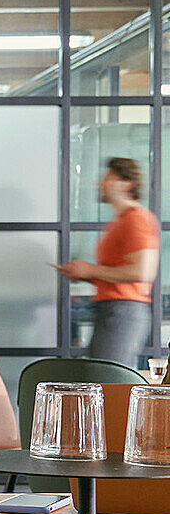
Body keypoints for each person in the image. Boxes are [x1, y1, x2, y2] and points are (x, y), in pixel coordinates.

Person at [52, 157, 160, 368]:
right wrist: (87, 274)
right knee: (102, 379)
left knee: (109, 382)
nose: (100, 184)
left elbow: (143, 271)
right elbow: (117, 274)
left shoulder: (136, 219)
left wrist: (91, 269)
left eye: (107, 178)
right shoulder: (120, 222)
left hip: (122, 312)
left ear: (127, 184)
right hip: (112, 310)